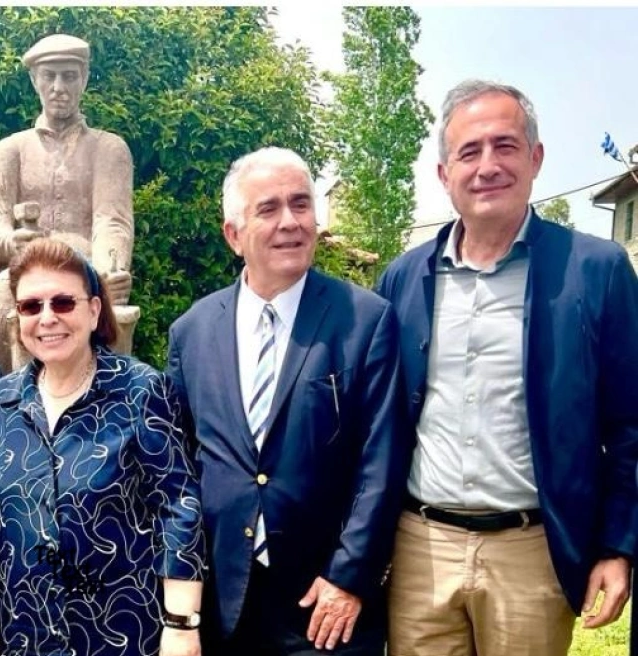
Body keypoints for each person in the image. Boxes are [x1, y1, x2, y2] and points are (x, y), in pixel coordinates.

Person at [376, 79, 638, 656]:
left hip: (533, 552)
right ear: (444, 173)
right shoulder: (403, 279)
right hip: (421, 549)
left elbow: (630, 424)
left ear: (536, 158)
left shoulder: (595, 270)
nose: (487, 166)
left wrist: (617, 546)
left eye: (505, 146)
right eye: (469, 152)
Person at [166, 147, 410, 656]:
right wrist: (183, 604)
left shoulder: (365, 320)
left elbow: (382, 463)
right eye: (268, 208)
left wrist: (348, 577)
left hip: (324, 607)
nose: (290, 222)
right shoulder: (191, 332)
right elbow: (180, 474)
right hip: (223, 605)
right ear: (234, 235)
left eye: (301, 204)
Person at [0, 238, 205, 656]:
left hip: (121, 631)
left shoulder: (141, 391)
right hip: (25, 633)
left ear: (94, 310)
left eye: (63, 303)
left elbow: (178, 506)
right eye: (31, 306)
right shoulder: (2, 400)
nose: (47, 318)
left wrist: (182, 625)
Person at [0, 33, 135, 368]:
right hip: (11, 262)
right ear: (34, 80)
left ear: (83, 79)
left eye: (69, 76)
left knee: (12, 281)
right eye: (49, 76)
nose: (58, 87)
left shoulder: (107, 149)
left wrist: (111, 268)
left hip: (75, 268)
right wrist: (9, 241)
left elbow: (112, 222)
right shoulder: (11, 150)